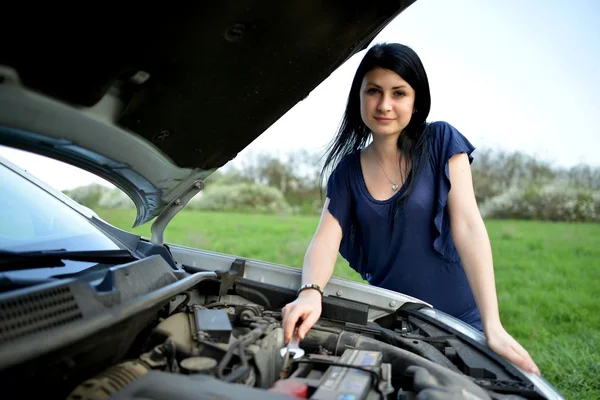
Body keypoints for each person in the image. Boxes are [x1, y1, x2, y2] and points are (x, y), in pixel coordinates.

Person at [281, 42, 540, 375]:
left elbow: (468, 227)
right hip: (396, 326)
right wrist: (310, 293)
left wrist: (493, 325)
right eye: (373, 91)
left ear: (416, 101)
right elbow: (325, 241)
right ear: (358, 98)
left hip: (463, 321)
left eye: (399, 93)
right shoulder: (347, 172)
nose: (385, 105)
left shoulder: (441, 141)